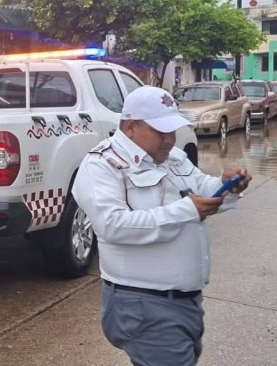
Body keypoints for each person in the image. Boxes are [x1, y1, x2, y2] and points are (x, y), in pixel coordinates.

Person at [72, 86, 251, 366]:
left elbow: (202, 188)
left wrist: (226, 186)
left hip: (183, 302)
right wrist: (187, 210)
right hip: (144, 305)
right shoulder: (102, 165)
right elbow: (111, 225)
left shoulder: (173, 157)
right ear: (130, 126)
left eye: (173, 130)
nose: (169, 139)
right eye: (161, 131)